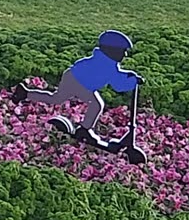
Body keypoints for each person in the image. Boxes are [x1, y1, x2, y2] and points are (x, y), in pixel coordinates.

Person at [11, 30, 142, 141]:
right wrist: (132, 82)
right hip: (77, 81)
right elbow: (118, 84)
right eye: (122, 51)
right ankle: (84, 130)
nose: (125, 55)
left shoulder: (107, 61)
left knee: (56, 98)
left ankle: (25, 93)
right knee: (96, 104)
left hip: (74, 77)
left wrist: (131, 77)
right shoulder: (107, 64)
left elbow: (118, 75)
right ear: (112, 51)